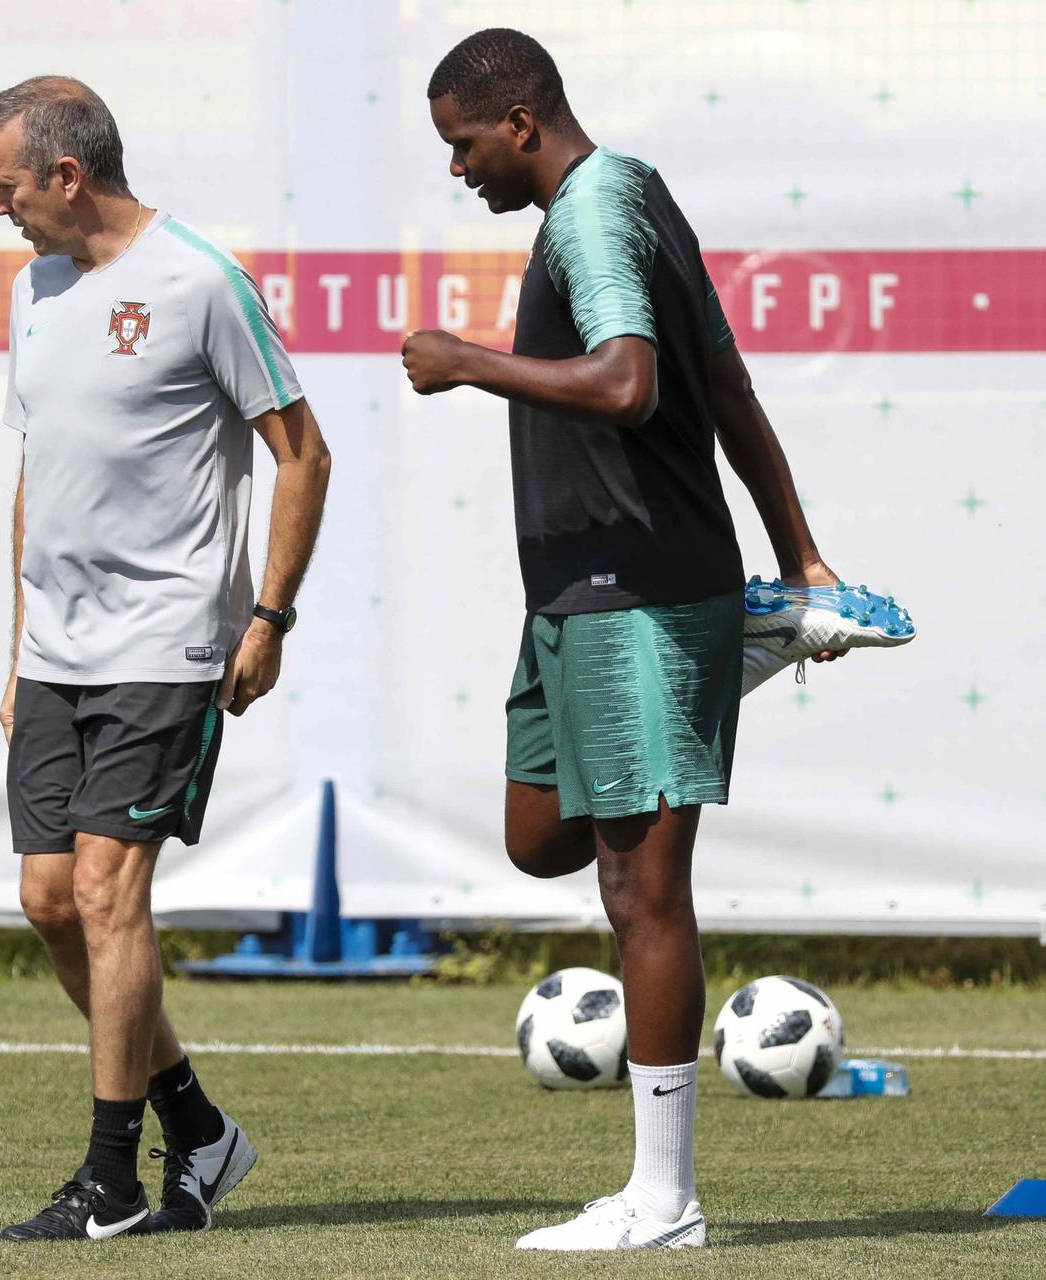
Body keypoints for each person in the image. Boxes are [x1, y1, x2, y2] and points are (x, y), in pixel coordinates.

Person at [404, 30, 844, 1251]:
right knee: (537, 836)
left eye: (464, 144)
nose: (459, 170)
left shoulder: (597, 213)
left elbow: (632, 383)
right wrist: (799, 556)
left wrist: (467, 361)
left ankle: (665, 1201)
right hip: (578, 593)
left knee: (641, 886)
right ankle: (748, 636)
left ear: (523, 122)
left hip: (638, 586)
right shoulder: (634, 193)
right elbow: (731, 387)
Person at [0, 75, 331, 1242]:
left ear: (67, 175)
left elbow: (303, 454)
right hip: (59, 651)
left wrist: (268, 613)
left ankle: (113, 1181)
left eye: (7, 186)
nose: (0, 210)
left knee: (105, 889)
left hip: (166, 641)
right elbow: (40, 468)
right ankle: (201, 1126)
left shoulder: (200, 281)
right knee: (47, 900)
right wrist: (23, 649)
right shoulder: (36, 287)